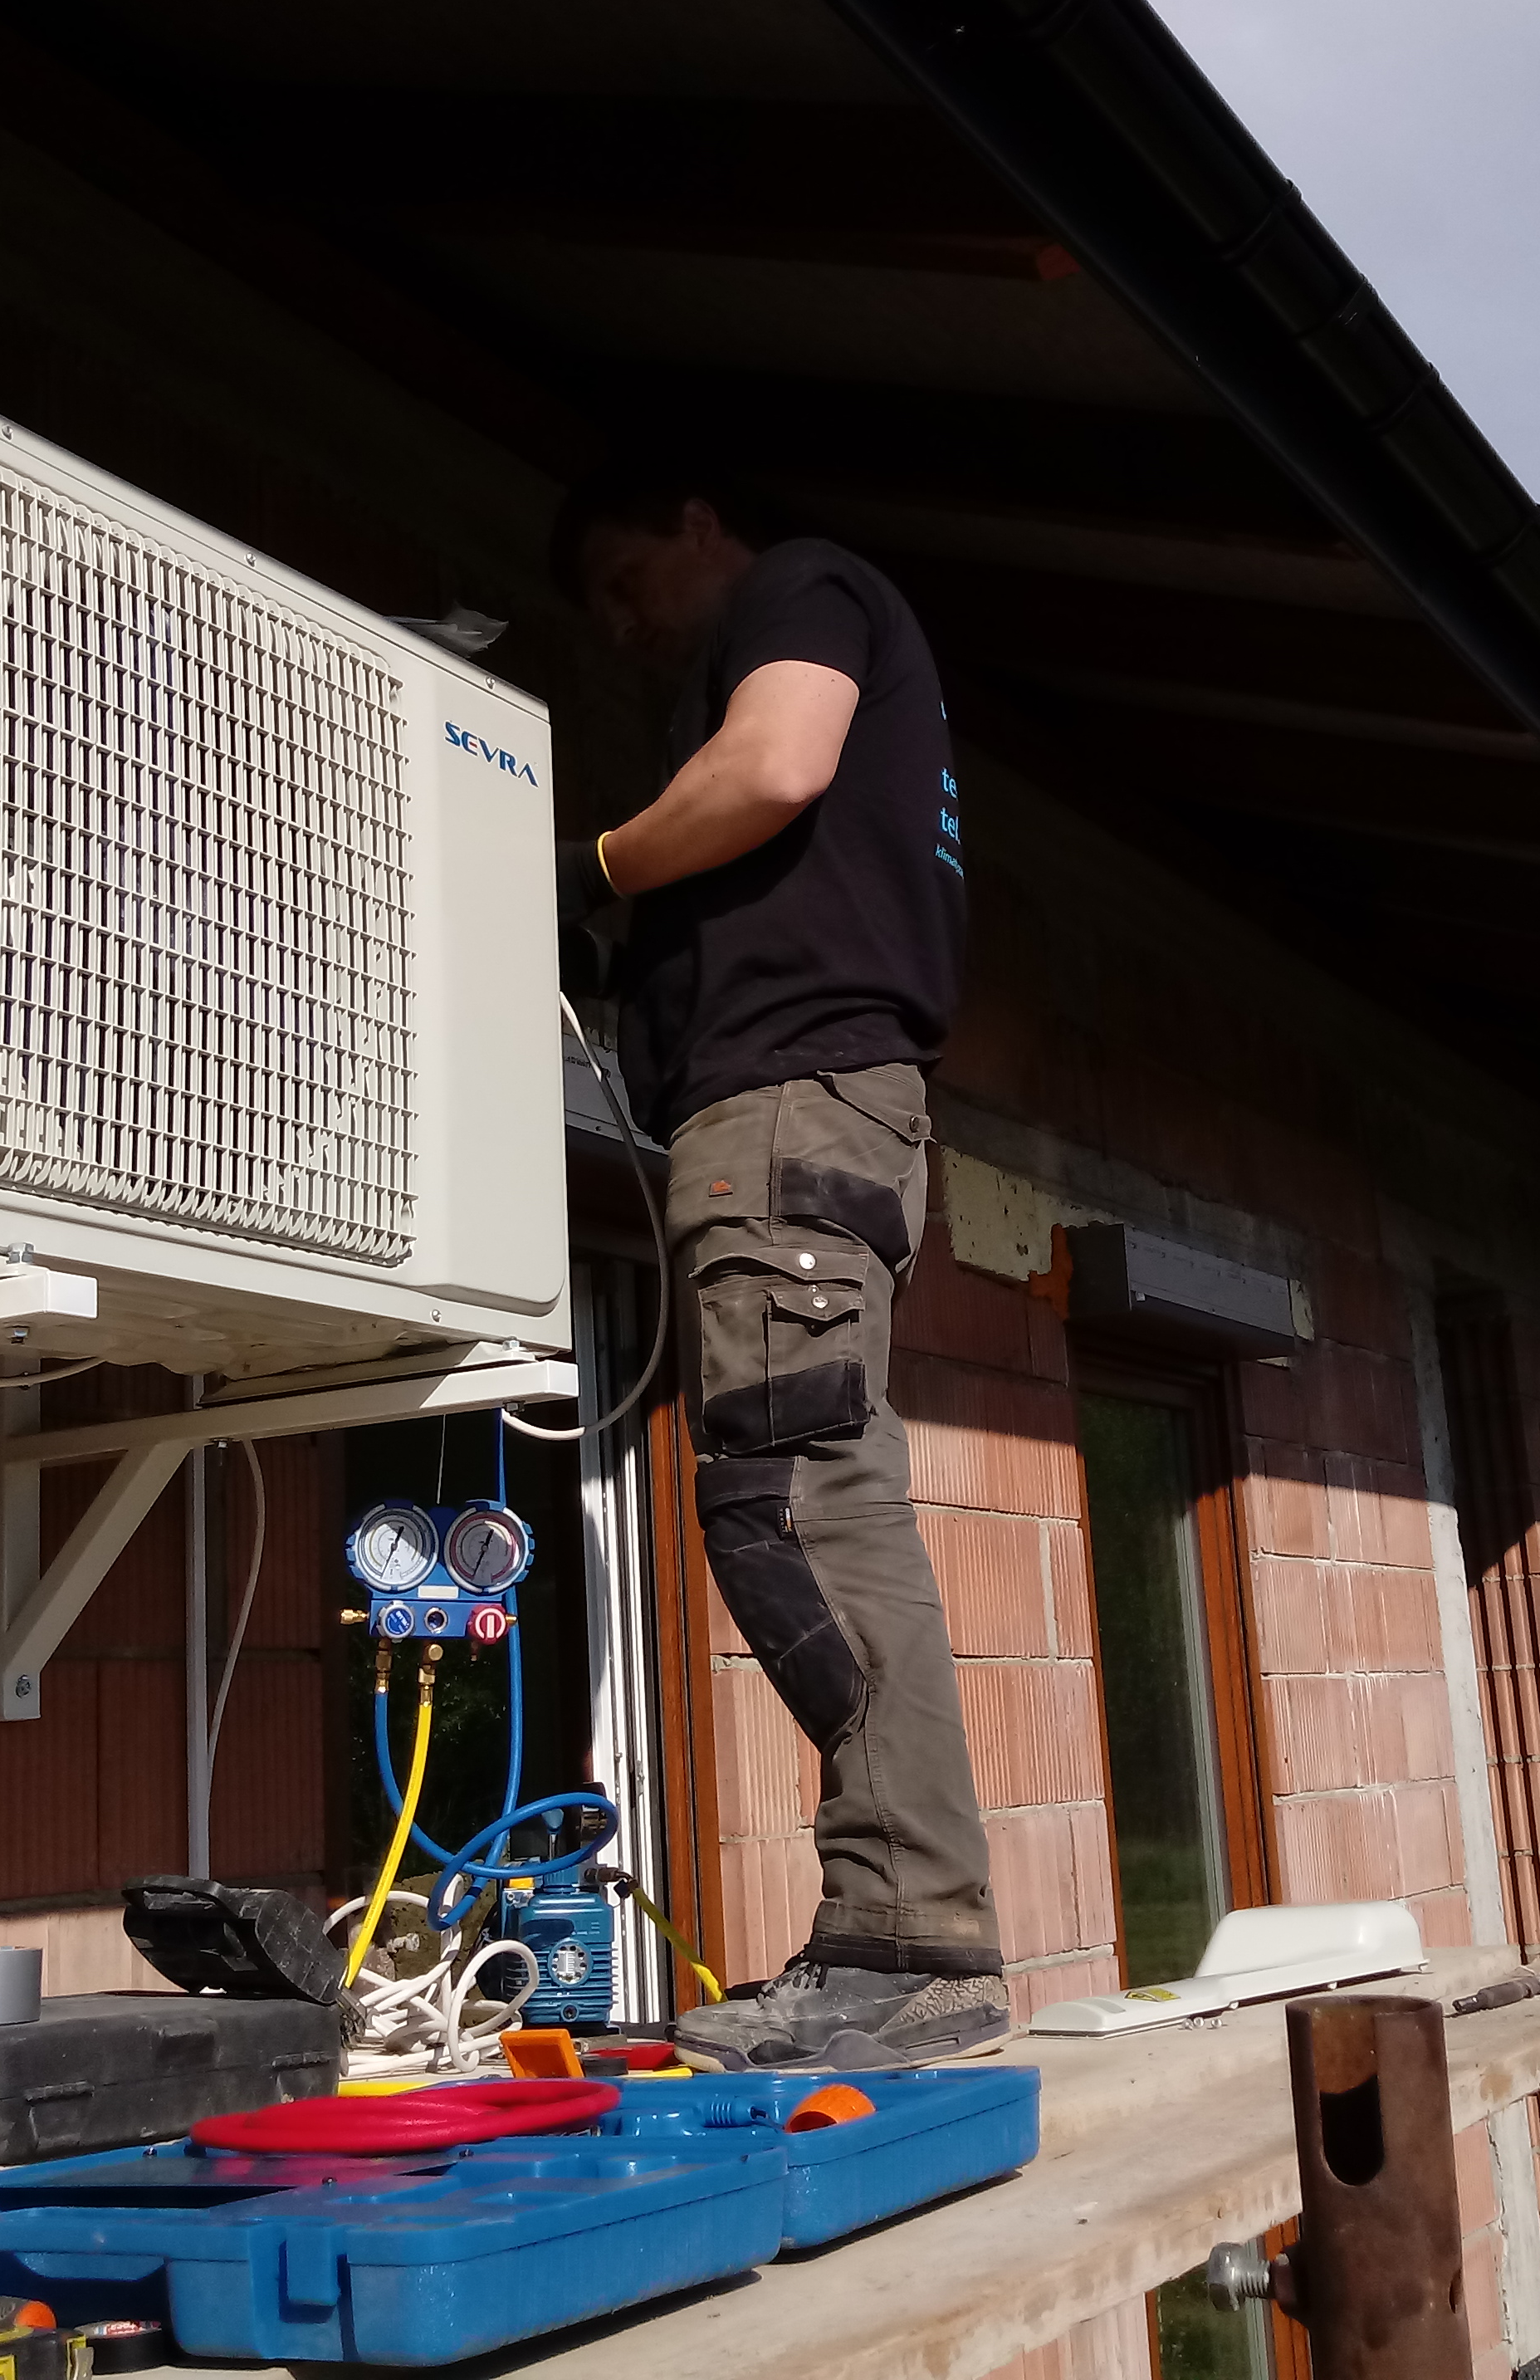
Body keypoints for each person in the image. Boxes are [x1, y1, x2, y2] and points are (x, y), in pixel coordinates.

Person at [550, 465, 1003, 2071]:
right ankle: (911, 1931)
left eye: (623, 585)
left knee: (792, 1493)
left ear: (694, 521)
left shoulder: (800, 583)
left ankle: (905, 1944)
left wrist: (595, 864)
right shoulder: (810, 619)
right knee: (812, 1484)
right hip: (807, 1113)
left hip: (789, 1106)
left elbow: (776, 762)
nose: (621, 629)